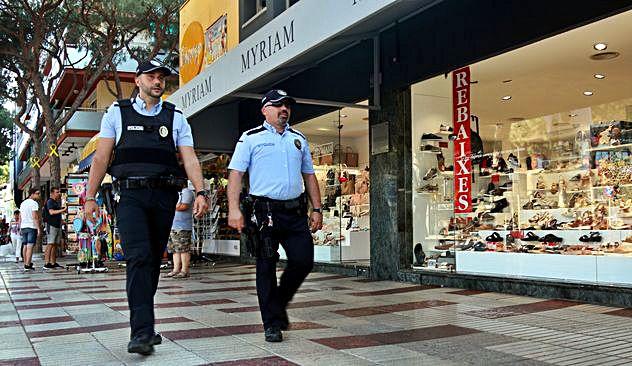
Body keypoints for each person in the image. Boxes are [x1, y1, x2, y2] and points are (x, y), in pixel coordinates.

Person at [84, 60, 209, 356]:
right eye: (151, 76)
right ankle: (140, 331)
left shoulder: (175, 117)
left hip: (164, 197)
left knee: (152, 260)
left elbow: (189, 158)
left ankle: (146, 326)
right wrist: (89, 197)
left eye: (161, 77)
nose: (157, 81)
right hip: (129, 197)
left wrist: (201, 190)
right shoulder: (117, 113)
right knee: (138, 258)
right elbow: (102, 159)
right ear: (137, 80)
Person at [227, 89, 323, 343]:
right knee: (266, 266)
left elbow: (309, 175)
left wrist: (317, 208)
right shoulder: (250, 138)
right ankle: (271, 323)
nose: (284, 109)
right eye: (278, 105)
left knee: (304, 261)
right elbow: (235, 175)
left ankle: (277, 303)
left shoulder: (299, 139)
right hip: (264, 213)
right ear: (264, 110)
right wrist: (233, 208)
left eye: (287, 106)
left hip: (294, 212)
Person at [165, 186, 194, 279]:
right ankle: (176, 269)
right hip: (172, 225)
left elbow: (183, 206)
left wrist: (169, 206)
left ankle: (185, 270)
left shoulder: (187, 192)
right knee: (174, 249)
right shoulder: (175, 192)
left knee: (183, 249)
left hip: (182, 226)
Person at [43, 187, 66, 269]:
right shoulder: (50, 202)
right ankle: (46, 263)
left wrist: (62, 220)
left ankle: (53, 262)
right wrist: (62, 210)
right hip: (51, 225)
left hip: (57, 225)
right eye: (57, 192)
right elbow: (51, 212)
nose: (59, 193)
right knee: (50, 243)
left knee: (55, 244)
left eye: (59, 192)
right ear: (52, 193)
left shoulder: (56, 202)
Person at [19, 188, 41, 271]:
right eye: (37, 193)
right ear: (32, 194)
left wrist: (20, 226)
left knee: (25, 245)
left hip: (24, 226)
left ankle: (26, 263)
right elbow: (35, 216)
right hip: (31, 226)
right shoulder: (34, 203)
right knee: (30, 246)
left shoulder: (23, 203)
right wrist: (38, 228)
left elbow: (20, 216)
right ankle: (28, 264)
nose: (39, 195)